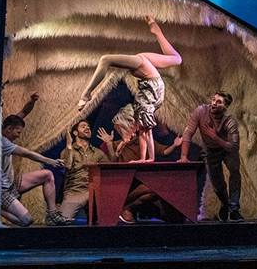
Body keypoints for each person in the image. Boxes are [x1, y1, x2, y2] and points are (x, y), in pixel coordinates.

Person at [76, 15, 182, 161]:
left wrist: (149, 159)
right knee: (177, 59)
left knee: (105, 59)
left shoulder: (141, 108)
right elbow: (145, 133)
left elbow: (146, 133)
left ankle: (86, 94)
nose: (123, 135)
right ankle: (156, 30)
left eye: (121, 131)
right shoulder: (142, 111)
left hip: (148, 76)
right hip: (149, 77)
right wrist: (145, 158)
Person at [97, 106, 184, 223]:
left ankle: (127, 207)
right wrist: (114, 149)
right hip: (125, 184)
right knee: (151, 188)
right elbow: (112, 166)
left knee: (153, 192)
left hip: (142, 182)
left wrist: (174, 145)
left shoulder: (143, 140)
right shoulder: (117, 144)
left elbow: (163, 151)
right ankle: (122, 207)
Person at [179, 92, 242, 221]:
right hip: (210, 151)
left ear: (225, 106)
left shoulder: (229, 121)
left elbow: (233, 147)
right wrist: (184, 155)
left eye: (219, 102)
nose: (214, 103)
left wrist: (215, 137)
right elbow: (188, 132)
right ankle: (225, 203)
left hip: (227, 150)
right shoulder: (201, 111)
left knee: (235, 172)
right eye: (213, 100)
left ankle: (234, 208)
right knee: (217, 186)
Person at [0, 115, 70, 227]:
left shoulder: (5, 138)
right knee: (27, 220)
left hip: (11, 184)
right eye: (18, 132)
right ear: (8, 129)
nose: (18, 136)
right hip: (2, 191)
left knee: (47, 175)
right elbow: (26, 153)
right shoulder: (2, 141)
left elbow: (22, 113)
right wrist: (50, 161)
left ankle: (52, 215)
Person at [58, 120, 109, 223]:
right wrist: (69, 144)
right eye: (83, 126)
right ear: (75, 133)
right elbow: (66, 165)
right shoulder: (68, 151)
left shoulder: (97, 152)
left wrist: (110, 144)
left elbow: (109, 169)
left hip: (95, 190)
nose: (87, 128)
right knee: (63, 220)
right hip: (75, 190)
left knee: (106, 220)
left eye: (88, 126)